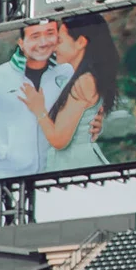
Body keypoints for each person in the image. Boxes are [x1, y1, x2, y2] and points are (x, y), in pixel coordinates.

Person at [0, 21, 72, 180]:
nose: (43, 42)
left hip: (55, 178)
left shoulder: (66, 73)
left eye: (50, 33)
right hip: (4, 181)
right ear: (21, 43)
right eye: (35, 36)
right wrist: (6, 153)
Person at [22, 10, 118, 171]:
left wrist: (39, 109)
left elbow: (59, 140)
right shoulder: (81, 78)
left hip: (76, 166)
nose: (54, 47)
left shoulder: (84, 81)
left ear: (80, 42)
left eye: (60, 41)